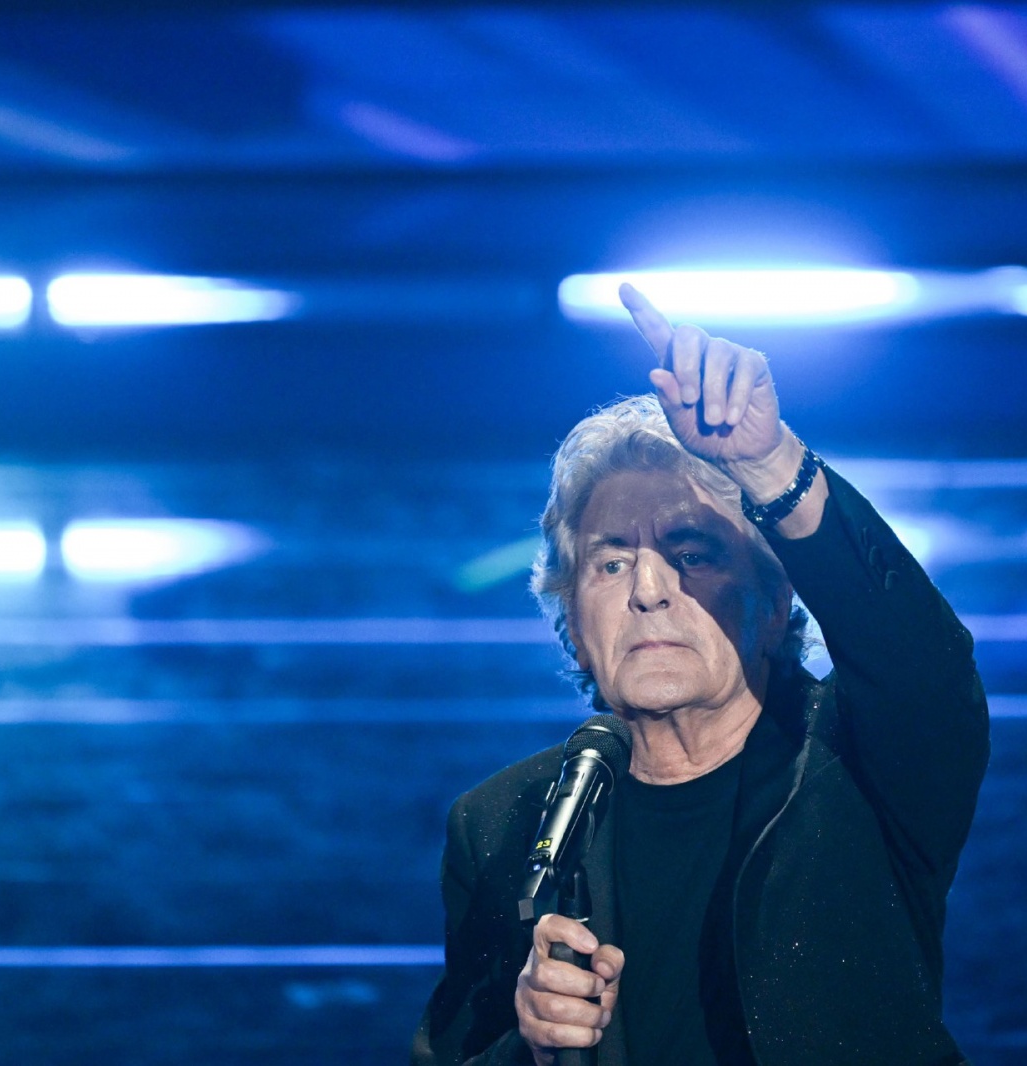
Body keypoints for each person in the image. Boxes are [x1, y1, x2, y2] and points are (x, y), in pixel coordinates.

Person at [411, 284, 989, 1066]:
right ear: (574, 624)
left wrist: (767, 460)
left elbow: (923, 664)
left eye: (692, 555)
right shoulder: (502, 825)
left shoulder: (859, 760)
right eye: (611, 561)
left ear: (776, 599)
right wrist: (533, 1050)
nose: (648, 590)